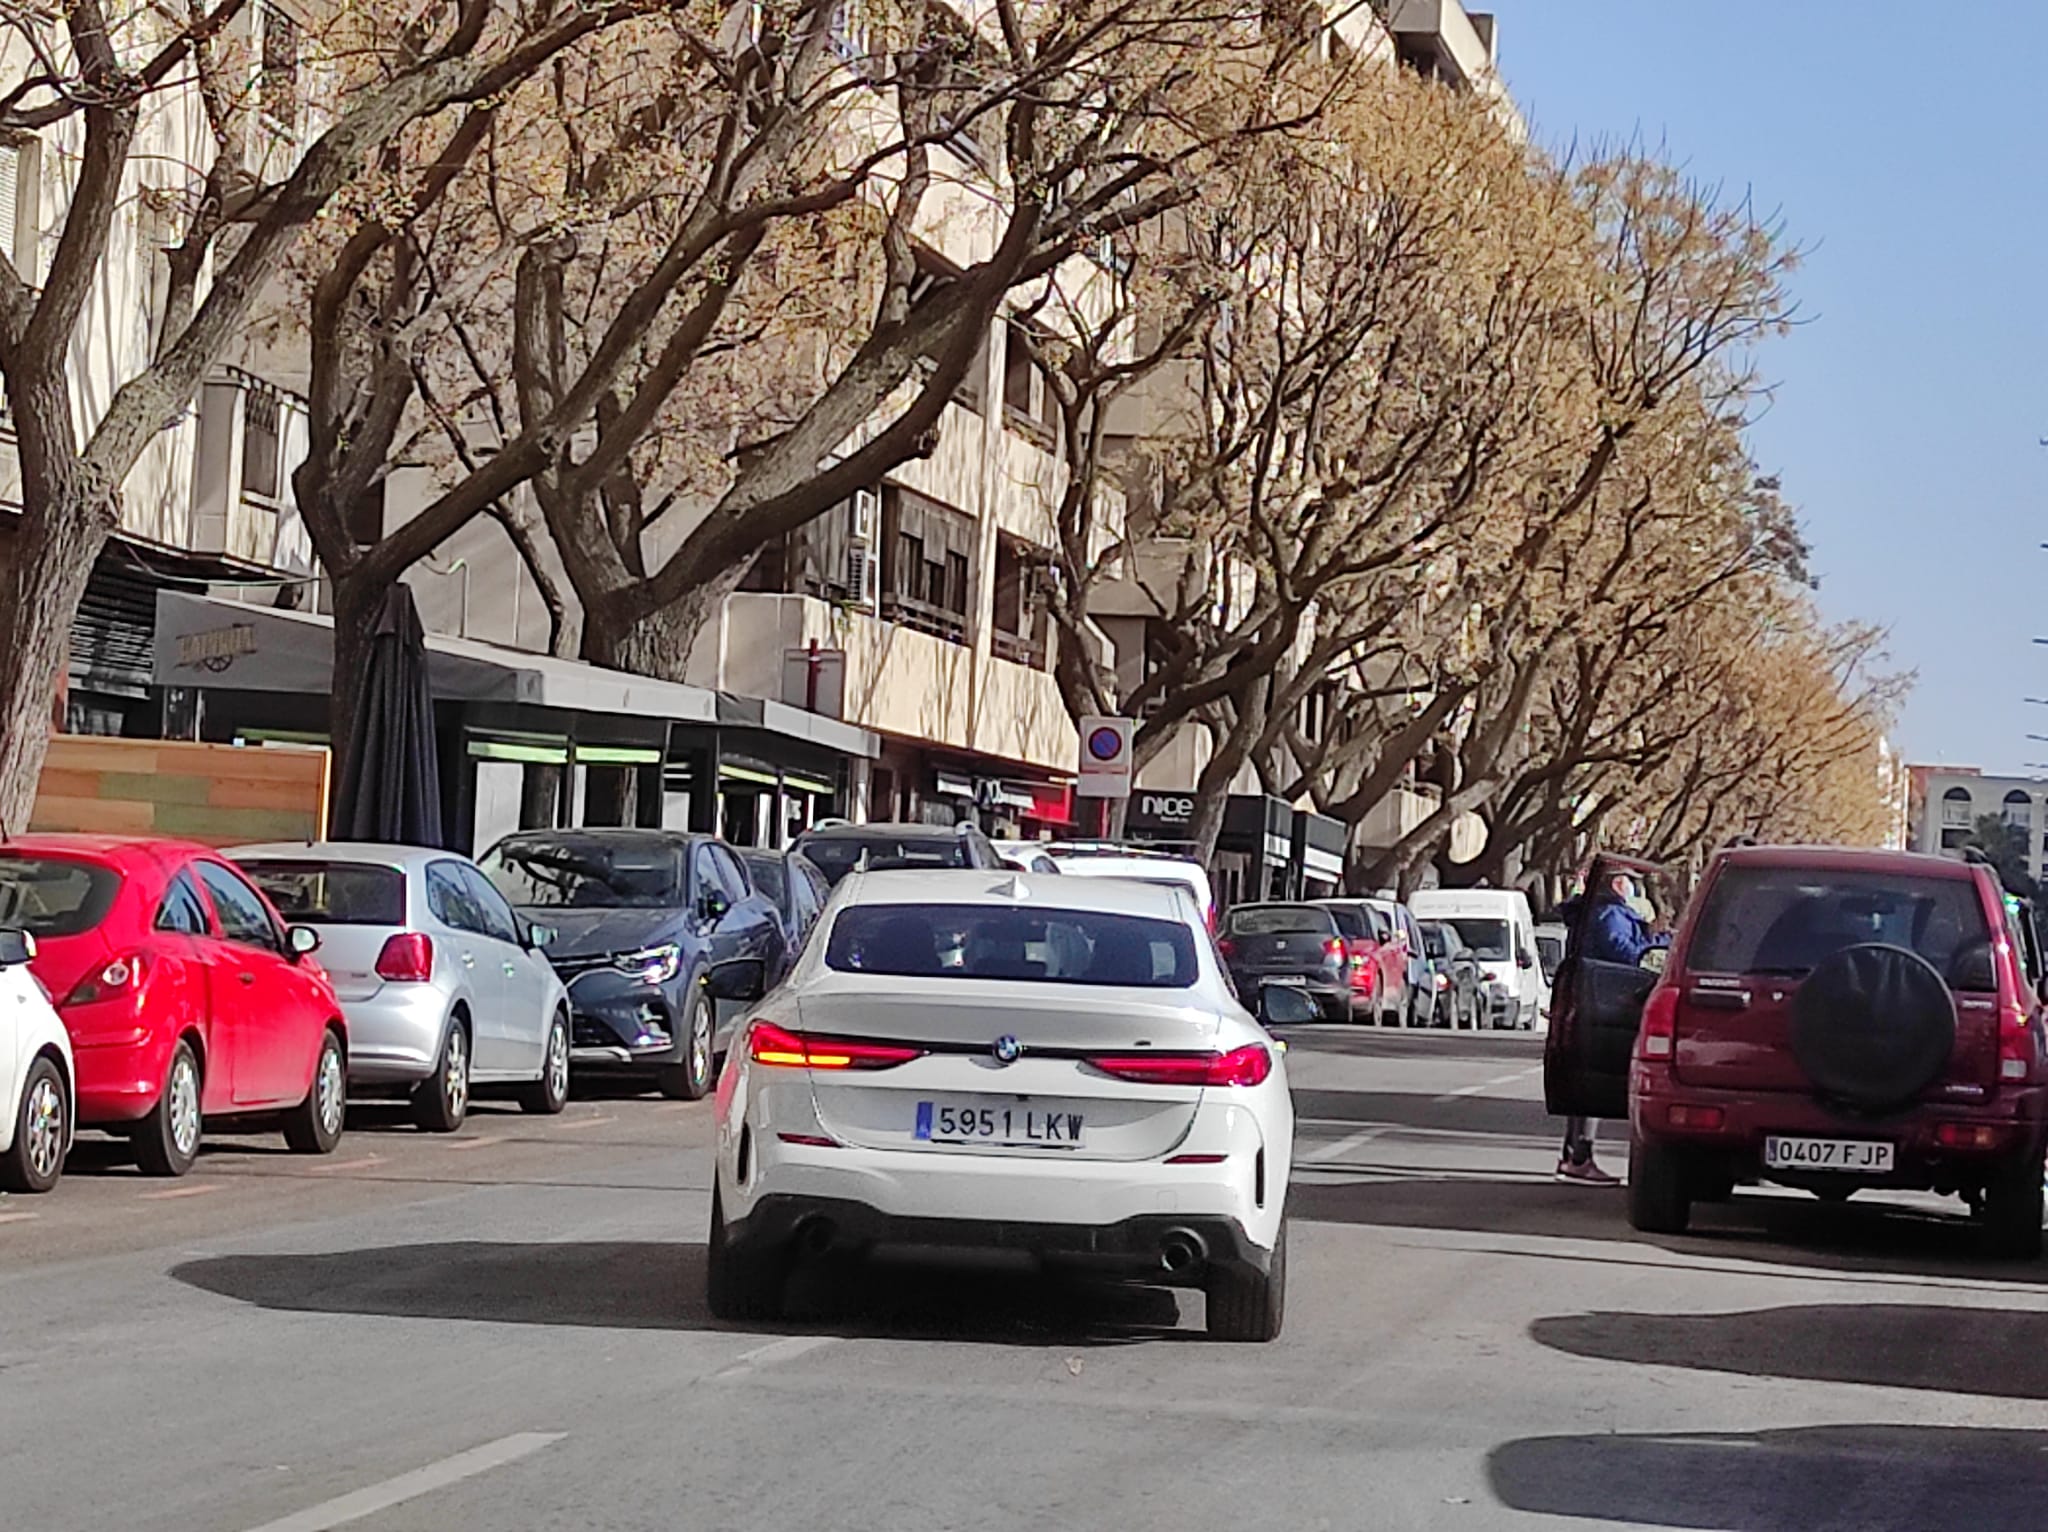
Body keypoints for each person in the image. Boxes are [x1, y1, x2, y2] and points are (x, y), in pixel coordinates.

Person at [1556, 870, 1671, 1187]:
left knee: (1585, 1082)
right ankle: (1579, 1156)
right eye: (1627, 881)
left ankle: (1574, 1155)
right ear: (1617, 884)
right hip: (1602, 1001)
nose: (1631, 887)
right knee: (1593, 1082)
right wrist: (1662, 941)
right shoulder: (1610, 915)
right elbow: (1627, 954)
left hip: (1590, 999)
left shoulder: (1598, 913)